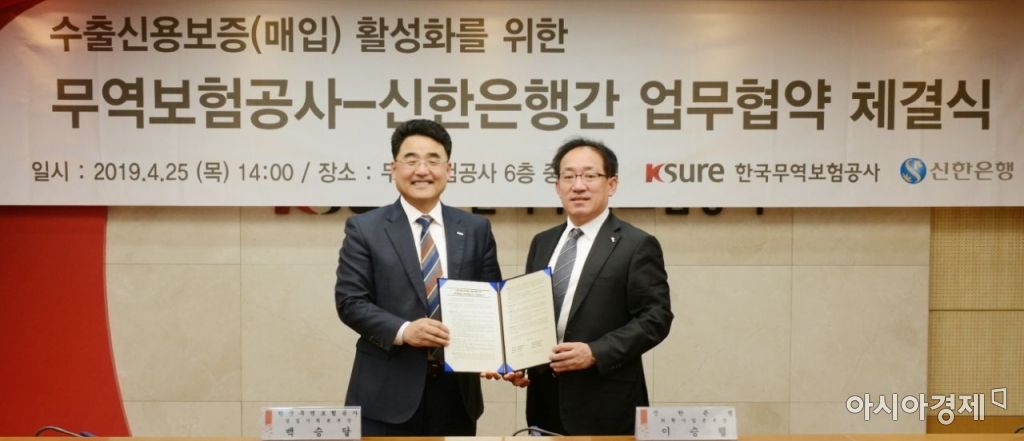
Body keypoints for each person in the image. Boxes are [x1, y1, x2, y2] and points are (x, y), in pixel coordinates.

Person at [334, 119, 501, 435]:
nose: (422, 170)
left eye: (433, 160)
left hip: (456, 396)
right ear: (393, 168)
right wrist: (405, 330)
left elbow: (491, 302)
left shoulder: (476, 229)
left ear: (449, 170)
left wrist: (500, 354)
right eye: (411, 160)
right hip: (385, 394)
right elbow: (350, 302)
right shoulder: (365, 229)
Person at [506, 137, 673, 435]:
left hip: (606, 403)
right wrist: (517, 360)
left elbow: (655, 318)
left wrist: (595, 352)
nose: (578, 185)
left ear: (611, 184)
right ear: (557, 186)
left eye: (590, 175)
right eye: (568, 176)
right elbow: (531, 314)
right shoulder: (542, 242)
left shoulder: (636, 244)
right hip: (544, 401)